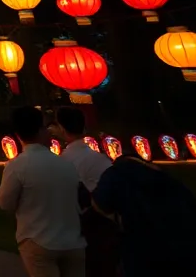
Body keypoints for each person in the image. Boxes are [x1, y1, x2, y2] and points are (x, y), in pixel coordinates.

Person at [0, 106, 85, 277]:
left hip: (38, 240)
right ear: (41, 131)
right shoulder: (65, 163)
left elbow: (5, 203)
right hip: (72, 240)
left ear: (17, 134)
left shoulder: (17, 166)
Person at [92, 155, 196, 276]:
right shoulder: (168, 177)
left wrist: (115, 218)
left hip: (141, 247)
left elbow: (98, 202)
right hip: (183, 245)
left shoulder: (116, 173)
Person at [53, 107, 116, 277]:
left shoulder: (63, 162)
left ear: (61, 129)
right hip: (108, 226)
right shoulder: (101, 159)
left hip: (82, 230)